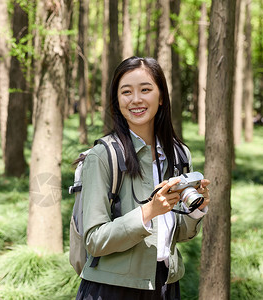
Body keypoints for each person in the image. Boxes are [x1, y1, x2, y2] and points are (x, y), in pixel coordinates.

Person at [75, 56, 211, 300]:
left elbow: (177, 234)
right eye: (126, 92)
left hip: (165, 285)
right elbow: (94, 240)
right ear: (117, 101)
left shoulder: (178, 154)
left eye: (145, 90)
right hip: (112, 289)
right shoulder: (103, 156)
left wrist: (196, 210)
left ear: (161, 98)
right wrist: (148, 212)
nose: (136, 99)